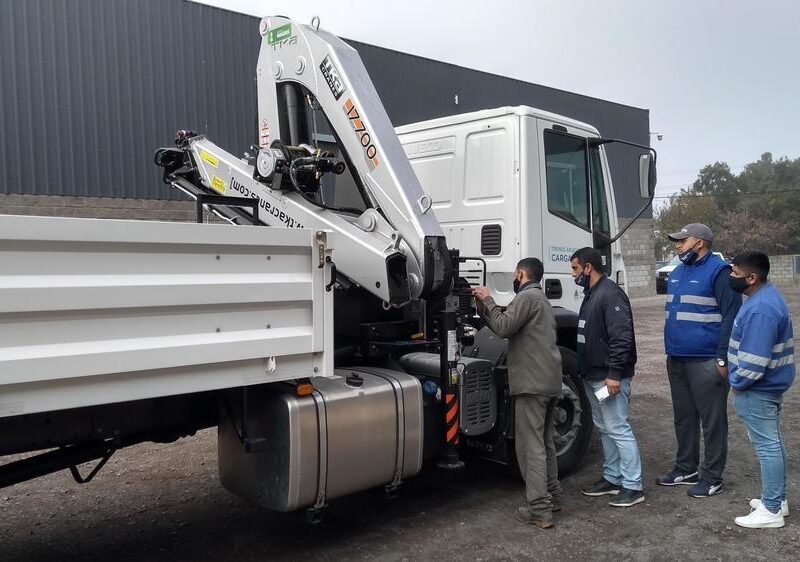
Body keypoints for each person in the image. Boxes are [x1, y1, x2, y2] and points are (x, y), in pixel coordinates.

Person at [472, 258, 563, 528]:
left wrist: (488, 299)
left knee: (530, 446)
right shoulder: (541, 299)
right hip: (548, 381)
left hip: (531, 384)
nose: (514, 278)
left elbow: (503, 327)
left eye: (515, 274)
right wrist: (483, 308)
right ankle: (552, 496)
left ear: (521, 274)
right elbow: (506, 323)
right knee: (544, 442)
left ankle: (538, 508)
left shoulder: (527, 297)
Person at [657, 223, 742, 497]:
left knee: (713, 421)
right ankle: (686, 468)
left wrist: (722, 358)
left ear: (700, 243)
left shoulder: (720, 272)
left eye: (683, 241)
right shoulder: (679, 272)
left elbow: (731, 317)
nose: (678, 246)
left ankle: (713, 476)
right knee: (683, 418)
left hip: (706, 361)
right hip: (678, 359)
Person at [570, 247, 644, 507]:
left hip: (609, 379)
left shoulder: (610, 294)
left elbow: (621, 338)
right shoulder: (593, 294)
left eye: (576, 268)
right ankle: (612, 478)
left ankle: (633, 485)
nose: (573, 274)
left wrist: (614, 375)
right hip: (595, 376)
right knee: (605, 427)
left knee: (618, 428)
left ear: (588, 267)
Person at [726, 251, 795, 529]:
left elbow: (754, 361)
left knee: (768, 447)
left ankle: (771, 510)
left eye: (735, 274)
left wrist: (737, 382)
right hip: (766, 388)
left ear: (752, 278)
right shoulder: (764, 297)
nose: (731, 278)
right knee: (773, 444)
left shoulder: (762, 308)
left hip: (758, 389)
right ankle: (778, 500)